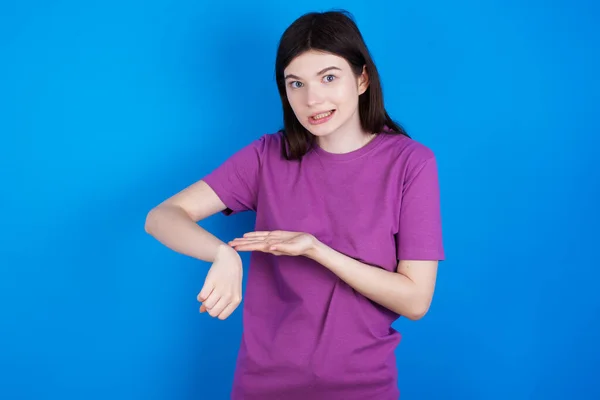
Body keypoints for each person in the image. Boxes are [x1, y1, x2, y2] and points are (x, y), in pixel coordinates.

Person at [145, 9, 444, 400]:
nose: (312, 99)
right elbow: (162, 217)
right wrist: (222, 254)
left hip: (363, 386)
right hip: (262, 385)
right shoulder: (267, 156)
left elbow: (415, 300)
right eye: (296, 83)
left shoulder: (411, 164)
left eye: (329, 77)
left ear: (362, 78)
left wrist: (317, 250)